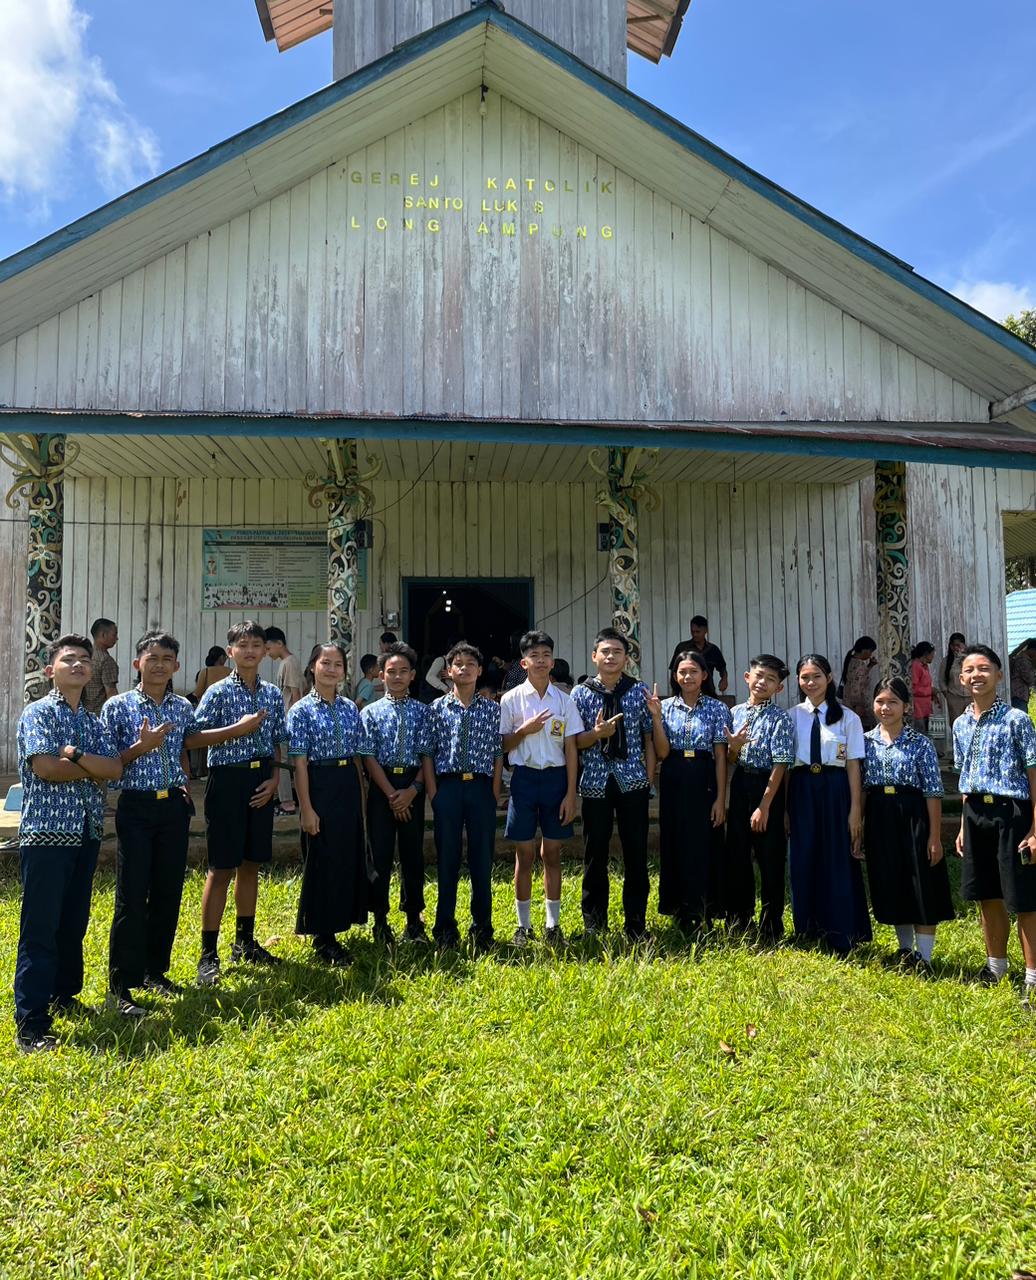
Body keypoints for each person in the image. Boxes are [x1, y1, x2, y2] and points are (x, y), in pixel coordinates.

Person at [101, 631, 266, 1015]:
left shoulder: (179, 707)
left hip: (173, 809)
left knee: (167, 892)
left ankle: (154, 972)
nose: (159, 664)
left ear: (177, 666)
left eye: (166, 658)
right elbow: (108, 766)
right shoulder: (118, 708)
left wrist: (182, 781)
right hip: (137, 809)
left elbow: (189, 743)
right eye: (151, 657)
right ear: (137, 663)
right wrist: (141, 747)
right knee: (131, 896)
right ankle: (120, 988)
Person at [14, 634, 122, 1052]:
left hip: (86, 831)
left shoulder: (93, 722)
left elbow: (112, 769)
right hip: (46, 834)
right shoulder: (37, 713)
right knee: (40, 926)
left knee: (73, 921)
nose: (78, 664)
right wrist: (87, 767)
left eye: (84, 660)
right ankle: (32, 1022)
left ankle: (63, 995)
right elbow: (44, 768)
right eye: (68, 659)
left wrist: (74, 756)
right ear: (50, 670)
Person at [192, 620, 288, 986]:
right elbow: (195, 736)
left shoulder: (270, 693)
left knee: (251, 864)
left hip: (262, 778)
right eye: (242, 645)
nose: (249, 651)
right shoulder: (217, 693)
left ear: (265, 651)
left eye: (256, 645)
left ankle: (245, 942)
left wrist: (276, 779)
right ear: (230, 651)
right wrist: (238, 729)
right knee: (222, 867)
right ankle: (208, 953)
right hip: (228, 780)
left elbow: (278, 737)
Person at [952, 644, 1036, 1004]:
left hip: (1012, 814)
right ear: (960, 679)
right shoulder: (959, 724)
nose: (976, 675)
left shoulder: (1017, 720)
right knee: (988, 895)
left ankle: (1032, 977)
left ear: (999, 675)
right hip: (976, 817)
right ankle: (996, 967)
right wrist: (960, 827)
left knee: (1024, 898)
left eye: (984, 668)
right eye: (969, 670)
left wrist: (1035, 829)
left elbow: (1034, 775)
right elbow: (965, 778)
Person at [571, 627, 662, 942]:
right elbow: (574, 743)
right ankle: (594, 924)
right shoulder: (580, 694)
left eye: (617, 652)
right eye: (604, 652)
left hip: (633, 781)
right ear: (594, 656)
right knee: (594, 853)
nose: (610, 657)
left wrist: (648, 779)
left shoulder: (638, 692)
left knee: (635, 853)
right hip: (595, 781)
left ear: (627, 658)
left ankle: (636, 923)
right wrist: (596, 735)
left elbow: (649, 739)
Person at [499, 631, 584, 947]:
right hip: (524, 780)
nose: (541, 661)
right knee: (524, 854)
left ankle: (553, 926)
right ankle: (523, 927)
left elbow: (572, 748)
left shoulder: (564, 700)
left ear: (552, 661)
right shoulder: (510, 700)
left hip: (556, 780)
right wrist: (524, 730)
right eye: (534, 656)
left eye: (546, 655)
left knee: (552, 854)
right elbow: (504, 745)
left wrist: (570, 793)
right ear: (524, 662)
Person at [862, 676, 951, 973]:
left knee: (920, 882)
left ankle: (924, 959)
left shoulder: (920, 744)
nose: (885, 708)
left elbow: (934, 791)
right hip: (879, 816)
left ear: (907, 707)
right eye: (880, 701)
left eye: (892, 702)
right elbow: (860, 787)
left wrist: (935, 837)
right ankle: (904, 950)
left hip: (913, 815)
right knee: (891, 880)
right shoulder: (865, 742)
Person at [288, 641, 369, 965]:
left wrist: (361, 800)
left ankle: (339, 923)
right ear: (312, 667)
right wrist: (306, 808)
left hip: (346, 783)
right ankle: (322, 936)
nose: (332, 669)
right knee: (321, 858)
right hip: (318, 785)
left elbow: (358, 759)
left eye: (338, 665)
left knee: (345, 857)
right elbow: (300, 764)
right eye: (325, 663)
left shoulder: (350, 707)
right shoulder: (301, 711)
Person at [787, 654, 870, 954]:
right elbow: (785, 766)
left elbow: (852, 766)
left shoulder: (848, 717)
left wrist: (855, 810)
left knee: (837, 858)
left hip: (836, 789)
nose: (810, 682)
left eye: (816, 676)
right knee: (804, 855)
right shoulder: (792, 716)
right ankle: (808, 928)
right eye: (804, 677)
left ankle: (843, 929)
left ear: (830, 677)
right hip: (802, 788)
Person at [423, 642, 503, 950]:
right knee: (448, 859)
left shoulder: (492, 710)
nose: (465, 668)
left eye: (471, 664)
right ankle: (445, 927)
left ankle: (482, 928)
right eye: (458, 664)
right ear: (448, 671)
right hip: (449, 788)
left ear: (480, 670)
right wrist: (434, 793)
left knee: (482, 860)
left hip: (481, 788)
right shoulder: (438, 709)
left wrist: (494, 790)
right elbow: (428, 753)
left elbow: (497, 753)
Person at [360, 642, 433, 945]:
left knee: (413, 855)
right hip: (383, 789)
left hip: (414, 787)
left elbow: (428, 755)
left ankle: (414, 920)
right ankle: (380, 921)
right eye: (392, 671)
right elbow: (368, 756)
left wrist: (413, 791)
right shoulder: (371, 713)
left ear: (413, 675)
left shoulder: (424, 713)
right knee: (380, 856)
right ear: (380, 675)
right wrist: (392, 795)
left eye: (404, 671)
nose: (398, 676)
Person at [723, 654, 796, 942]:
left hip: (769, 788)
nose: (763, 682)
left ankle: (771, 925)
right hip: (741, 782)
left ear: (778, 687)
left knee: (770, 859)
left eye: (771, 679)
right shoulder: (735, 713)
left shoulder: (781, 718)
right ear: (747, 677)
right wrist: (734, 748)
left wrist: (764, 806)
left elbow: (780, 764)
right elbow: (731, 758)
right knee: (737, 854)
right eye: (759, 675)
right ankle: (739, 919)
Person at [656, 650, 729, 934]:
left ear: (704, 675)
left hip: (704, 776)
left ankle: (704, 908)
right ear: (675, 675)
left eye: (693, 672)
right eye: (682, 672)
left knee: (703, 843)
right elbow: (662, 752)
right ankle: (678, 908)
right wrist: (654, 717)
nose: (687, 676)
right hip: (674, 776)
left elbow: (721, 756)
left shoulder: (716, 708)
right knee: (674, 841)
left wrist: (721, 799)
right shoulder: (665, 707)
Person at [265, 627, 304, 815]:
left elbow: (295, 694)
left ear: (279, 644)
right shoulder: (286, 662)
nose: (267, 652)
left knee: (282, 761)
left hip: (289, 721)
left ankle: (287, 802)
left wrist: (295, 723)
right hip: (284, 719)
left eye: (268, 648)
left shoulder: (290, 662)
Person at [668, 615, 728, 696]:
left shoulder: (713, 649)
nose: (695, 635)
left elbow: (722, 667)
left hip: (708, 691)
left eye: (698, 632)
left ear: (705, 630)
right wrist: (675, 691)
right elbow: (673, 670)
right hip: (686, 691)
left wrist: (724, 680)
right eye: (693, 632)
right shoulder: (682, 648)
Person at [838, 636, 878, 730]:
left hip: (848, 704)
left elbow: (859, 678)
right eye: (870, 651)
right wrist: (858, 706)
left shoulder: (851, 661)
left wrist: (870, 666)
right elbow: (856, 687)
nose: (870, 654)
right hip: (857, 708)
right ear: (864, 650)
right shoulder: (859, 664)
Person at [81, 618, 119, 714]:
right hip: (99, 713)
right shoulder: (106, 660)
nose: (116, 638)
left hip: (82, 712)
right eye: (114, 634)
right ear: (103, 635)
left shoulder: (84, 656)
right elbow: (111, 693)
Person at [938, 633, 968, 733]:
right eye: (953, 645)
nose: (956, 648)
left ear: (964, 645)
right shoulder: (946, 661)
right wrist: (948, 696)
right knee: (956, 725)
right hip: (954, 697)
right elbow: (941, 680)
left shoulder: (970, 659)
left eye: (958, 645)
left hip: (970, 697)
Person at [909, 641, 939, 733]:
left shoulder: (925, 666)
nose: (933, 657)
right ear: (926, 654)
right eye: (932, 654)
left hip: (926, 707)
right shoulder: (916, 666)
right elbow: (913, 688)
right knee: (920, 732)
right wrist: (930, 691)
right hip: (918, 708)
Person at [1008, 638, 1036, 712]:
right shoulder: (1024, 661)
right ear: (1033, 651)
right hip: (1018, 697)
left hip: (1016, 696)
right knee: (1020, 720)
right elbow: (1030, 679)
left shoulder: (1019, 658)